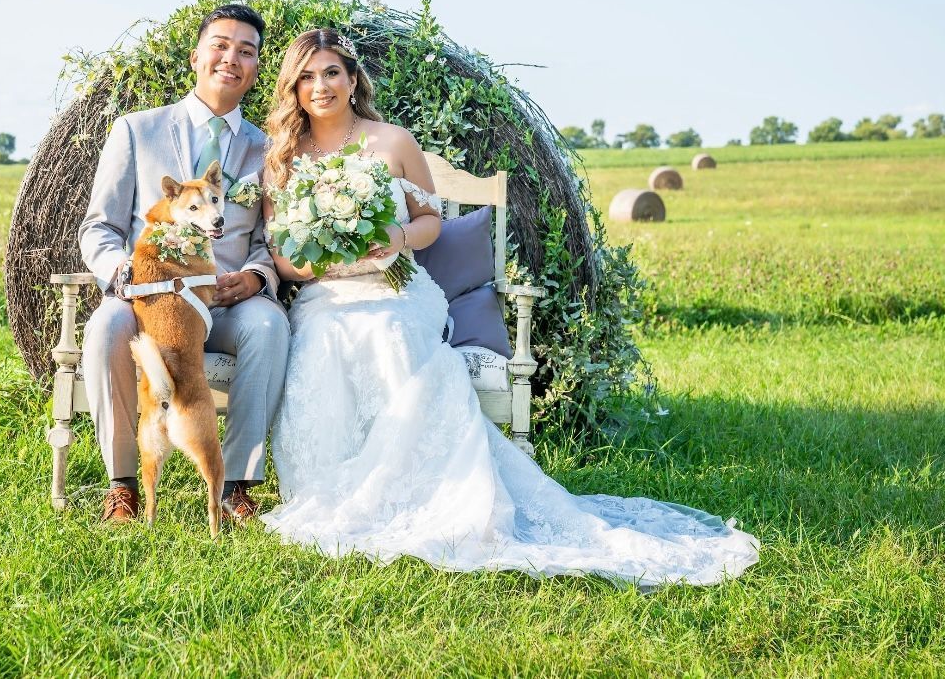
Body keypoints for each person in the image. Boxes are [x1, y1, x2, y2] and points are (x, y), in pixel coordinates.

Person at [259, 29, 759, 586]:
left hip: (395, 289)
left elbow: (430, 224)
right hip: (327, 295)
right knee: (326, 338)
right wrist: (327, 258)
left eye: (331, 72)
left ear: (353, 79)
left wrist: (396, 239)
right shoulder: (283, 156)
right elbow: (282, 255)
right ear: (293, 88)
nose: (320, 86)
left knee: (389, 333)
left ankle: (417, 489)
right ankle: (340, 490)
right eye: (307, 76)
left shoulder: (392, 142)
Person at [79, 4, 289, 524]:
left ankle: (234, 485)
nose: (231, 58)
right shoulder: (136, 131)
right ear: (196, 55)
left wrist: (257, 276)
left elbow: (272, 239)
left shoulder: (269, 150)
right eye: (220, 45)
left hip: (224, 303)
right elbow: (98, 227)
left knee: (268, 324)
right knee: (107, 325)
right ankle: (123, 484)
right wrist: (121, 272)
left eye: (246, 51)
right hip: (147, 302)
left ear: (256, 68)